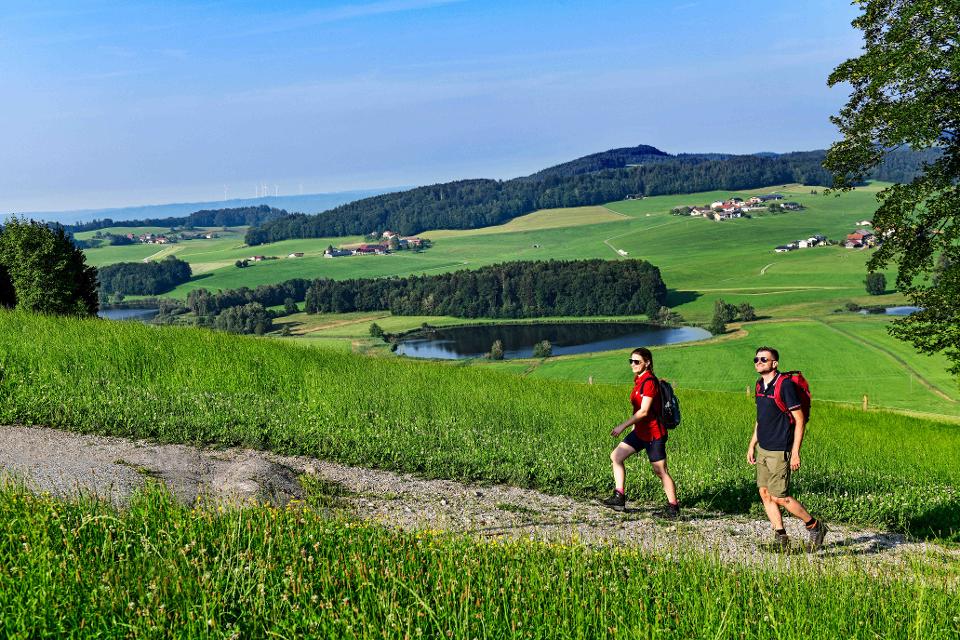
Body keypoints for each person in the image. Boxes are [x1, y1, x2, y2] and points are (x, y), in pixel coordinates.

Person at [747, 346, 827, 550]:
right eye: (756, 359)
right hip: (763, 448)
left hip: (779, 450)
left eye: (763, 359)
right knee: (764, 493)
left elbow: (800, 421)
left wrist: (795, 453)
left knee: (779, 497)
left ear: (774, 363)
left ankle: (815, 526)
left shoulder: (785, 386)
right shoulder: (759, 385)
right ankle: (780, 537)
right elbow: (761, 419)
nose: (758, 362)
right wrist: (752, 444)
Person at [602, 347, 679, 517]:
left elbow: (644, 411)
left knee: (660, 471)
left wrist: (622, 426)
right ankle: (619, 497)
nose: (633, 364)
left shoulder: (649, 382)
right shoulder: (639, 380)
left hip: (653, 434)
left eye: (637, 361)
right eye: (631, 361)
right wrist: (634, 426)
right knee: (616, 457)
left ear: (647, 363)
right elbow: (638, 409)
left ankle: (673, 508)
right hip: (640, 432)